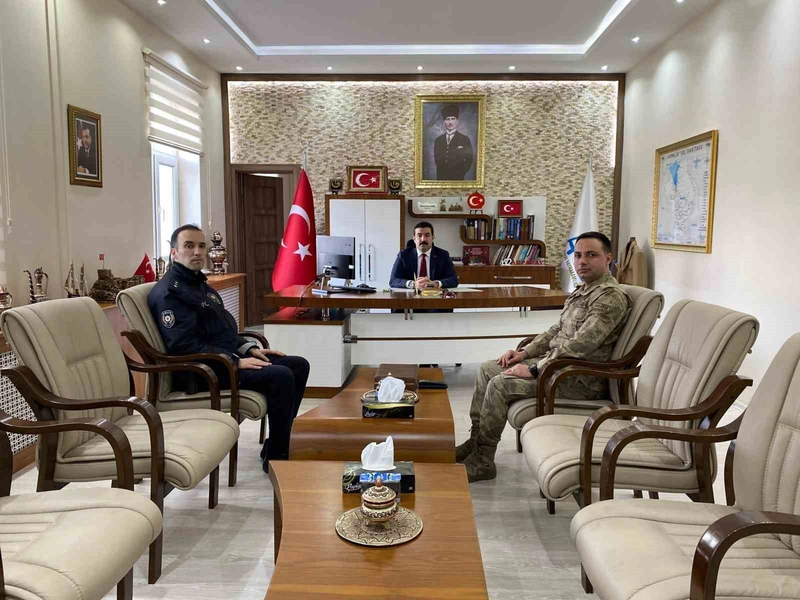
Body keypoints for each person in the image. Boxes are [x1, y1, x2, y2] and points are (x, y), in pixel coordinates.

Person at [458, 231, 632, 483]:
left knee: (500, 384)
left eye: (591, 255)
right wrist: (524, 353)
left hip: (580, 380)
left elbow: (581, 345)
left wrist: (534, 369)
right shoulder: (584, 291)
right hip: (557, 367)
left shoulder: (610, 297)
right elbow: (556, 330)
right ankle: (475, 444)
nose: (582, 261)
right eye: (578, 255)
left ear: (608, 259)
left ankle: (483, 460)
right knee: (488, 368)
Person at [149, 224, 310, 473]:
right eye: (189, 246)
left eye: (201, 246)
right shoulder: (171, 293)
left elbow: (222, 330)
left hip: (222, 361)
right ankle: (277, 457)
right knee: (281, 376)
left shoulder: (200, 285)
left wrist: (248, 349)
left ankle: (278, 441)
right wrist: (235, 362)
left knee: (298, 365)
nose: (197, 251)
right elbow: (183, 345)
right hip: (201, 372)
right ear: (174, 252)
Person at [389, 221, 458, 290]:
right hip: (411, 295)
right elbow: (393, 280)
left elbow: (454, 280)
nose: (423, 239)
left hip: (435, 294)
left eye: (427, 235)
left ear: (432, 237)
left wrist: (436, 283)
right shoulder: (403, 255)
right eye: (419, 235)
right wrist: (414, 284)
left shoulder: (443, 255)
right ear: (414, 239)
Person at [433, 104, 474, 181]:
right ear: (444, 122)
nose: (450, 122)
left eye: (453, 119)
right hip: (441, 178)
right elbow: (437, 159)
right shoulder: (438, 140)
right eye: (447, 119)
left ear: (457, 121)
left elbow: (469, 159)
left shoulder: (464, 139)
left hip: (458, 178)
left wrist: (460, 173)